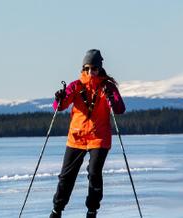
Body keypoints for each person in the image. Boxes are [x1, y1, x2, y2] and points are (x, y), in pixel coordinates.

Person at [48, 49, 126, 218]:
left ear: (100, 69)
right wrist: (59, 98)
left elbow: (120, 109)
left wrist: (111, 100)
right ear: (83, 68)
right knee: (66, 176)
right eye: (87, 68)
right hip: (77, 137)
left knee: (94, 172)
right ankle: (57, 209)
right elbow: (59, 107)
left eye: (94, 68)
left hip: (99, 137)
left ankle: (92, 210)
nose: (91, 72)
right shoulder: (75, 86)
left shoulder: (107, 86)